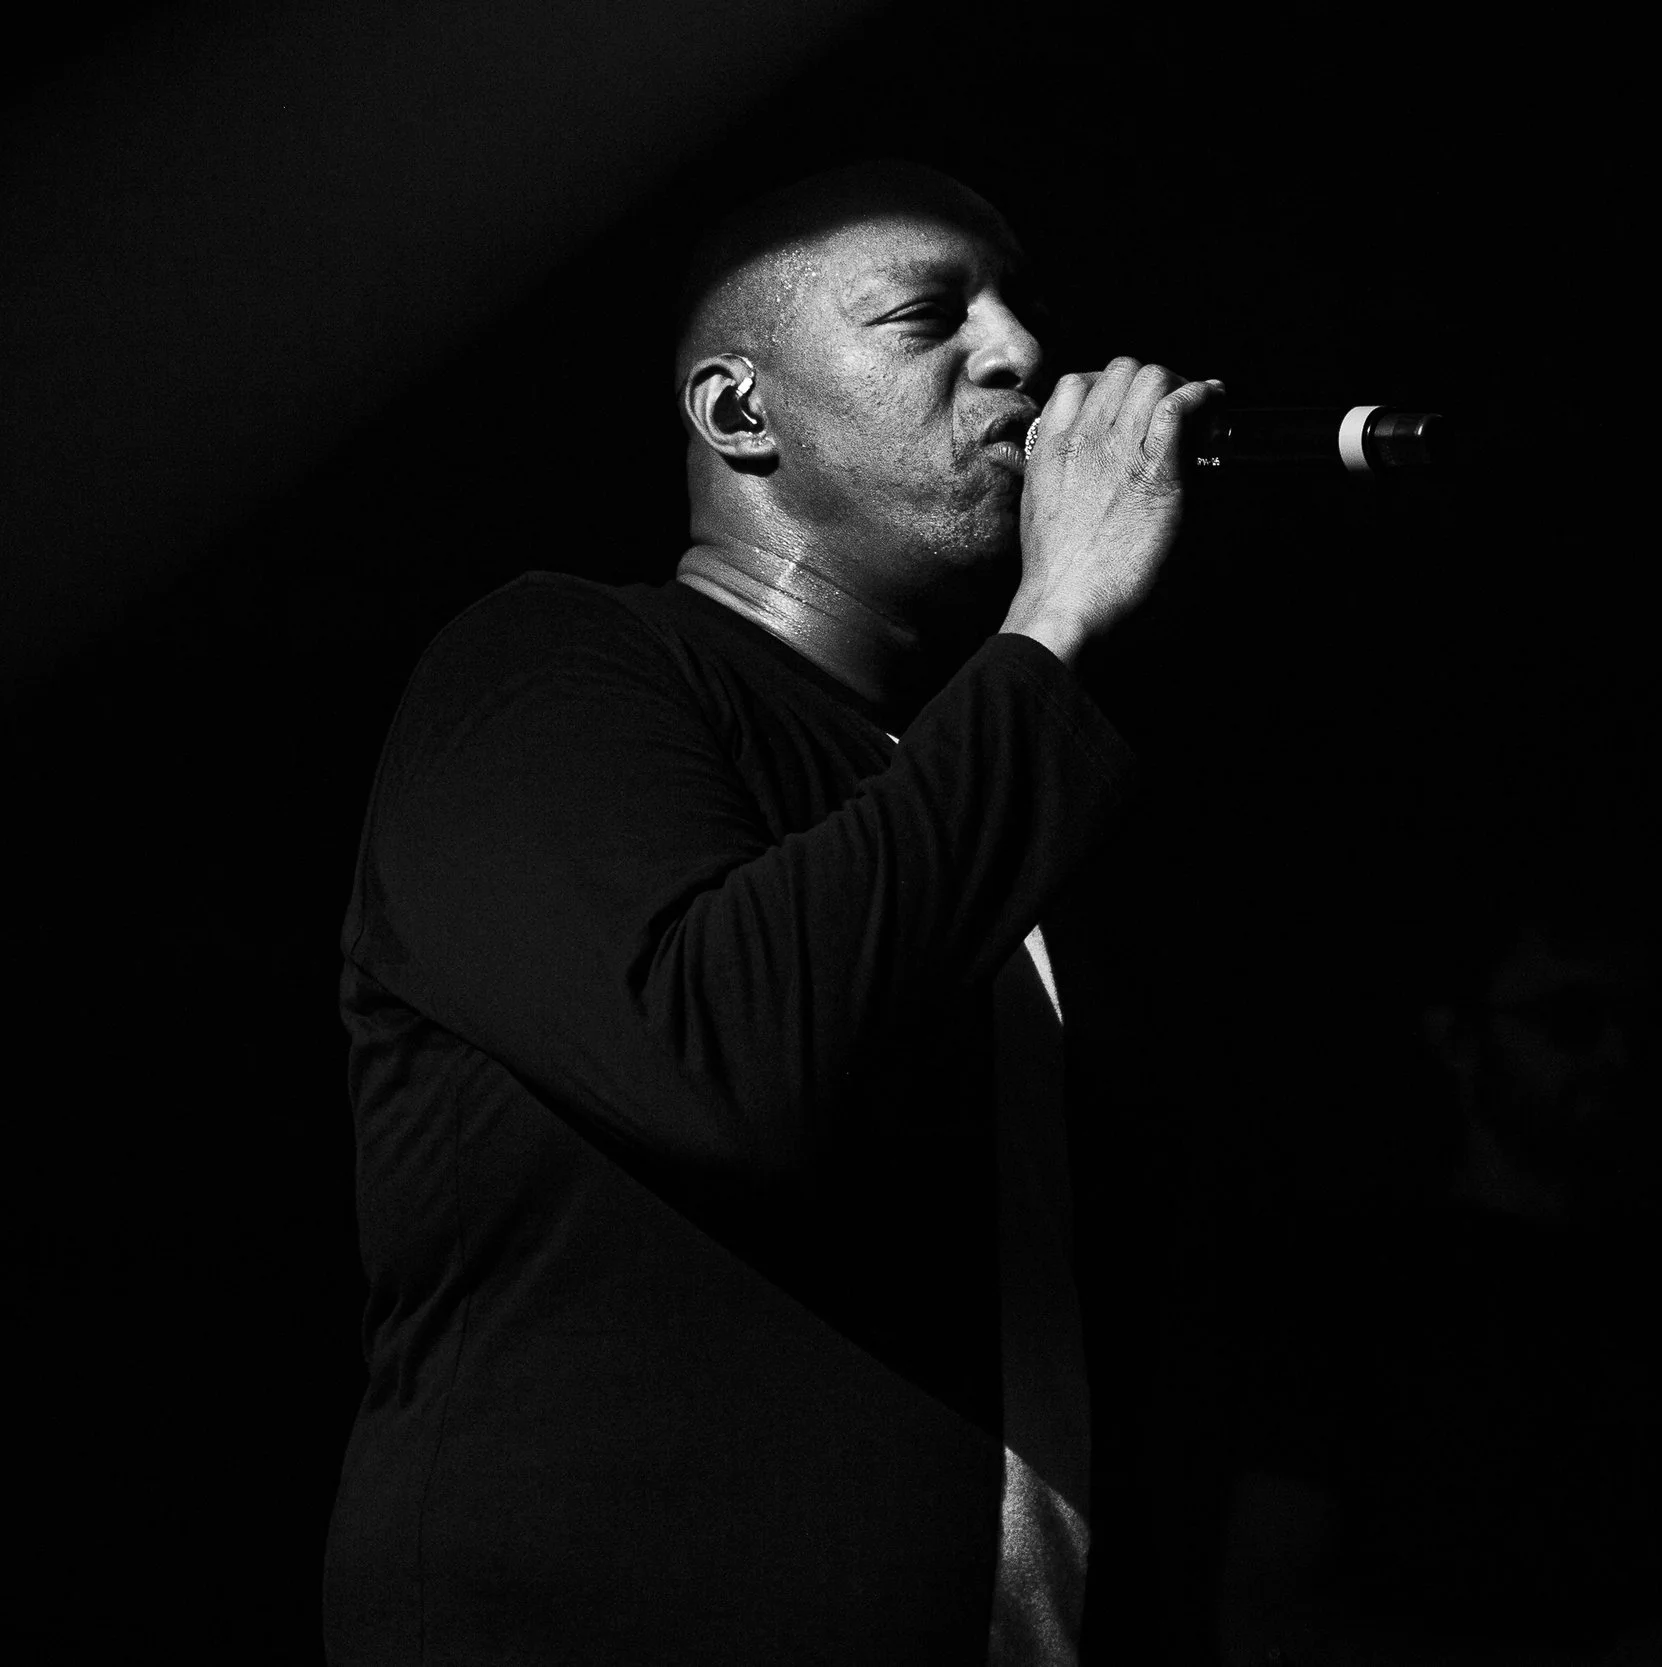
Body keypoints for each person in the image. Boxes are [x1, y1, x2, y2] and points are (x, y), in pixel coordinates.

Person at [320, 161, 1220, 1665]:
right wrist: (1057, 613)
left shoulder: (1005, 779)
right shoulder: (551, 670)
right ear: (741, 410)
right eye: (929, 316)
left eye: (1020, 310)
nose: (1019, 353)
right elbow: (729, 1050)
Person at [1215, 883, 1662, 1667]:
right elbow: (1262, 1629)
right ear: (1457, 1037)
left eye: (1633, 1022)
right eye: (1571, 1020)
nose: (1617, 1054)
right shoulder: (1355, 1292)